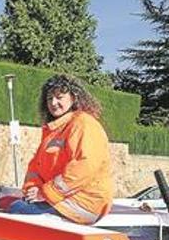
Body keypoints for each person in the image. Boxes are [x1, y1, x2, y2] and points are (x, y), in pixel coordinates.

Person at [7, 74, 113, 225]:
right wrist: (33, 188)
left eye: (59, 97)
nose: (53, 103)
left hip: (83, 203)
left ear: (73, 98)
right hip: (62, 200)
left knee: (17, 209)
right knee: (13, 204)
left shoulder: (84, 124)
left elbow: (85, 166)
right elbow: (35, 168)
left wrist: (45, 192)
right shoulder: (54, 130)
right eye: (49, 98)